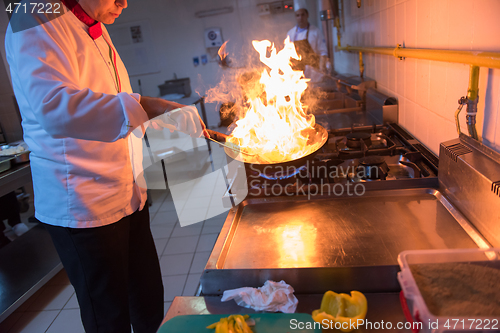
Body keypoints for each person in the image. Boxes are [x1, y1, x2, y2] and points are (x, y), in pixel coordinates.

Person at [5, 0, 206, 332]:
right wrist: (146, 105)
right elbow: (55, 107)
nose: (123, 3)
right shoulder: (33, 15)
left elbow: (112, 101)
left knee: (148, 302)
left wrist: (159, 119)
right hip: (85, 204)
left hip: (127, 195)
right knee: (108, 318)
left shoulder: (92, 23)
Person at [287, 0, 328, 74]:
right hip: (296, 74)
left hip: (314, 72)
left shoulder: (316, 32)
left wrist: (322, 68)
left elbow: (323, 52)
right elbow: (287, 54)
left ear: (307, 15)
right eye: (298, 15)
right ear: (295, 17)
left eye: (303, 15)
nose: (300, 18)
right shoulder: (290, 33)